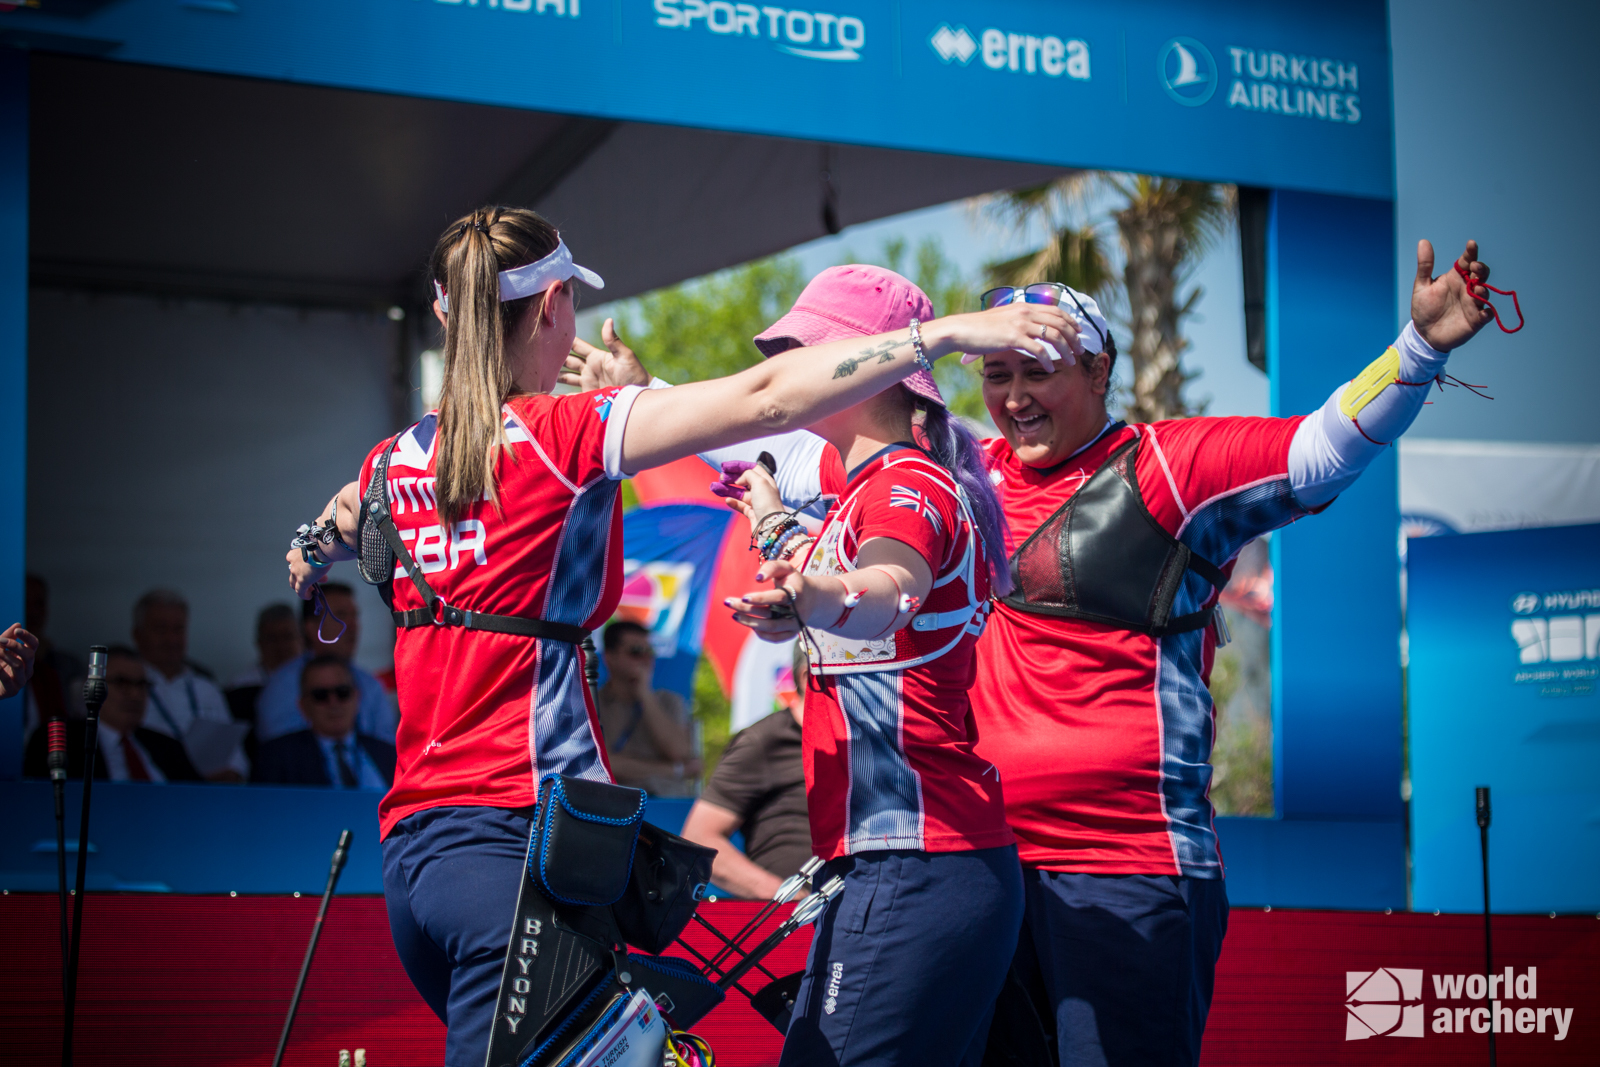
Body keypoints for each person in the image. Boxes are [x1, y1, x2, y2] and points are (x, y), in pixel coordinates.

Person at [587, 241, 1506, 1066]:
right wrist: (654, 392)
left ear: (1100, 368)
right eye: (995, 372)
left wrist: (1418, 351)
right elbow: (785, 441)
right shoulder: (954, 466)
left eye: (1040, 370)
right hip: (986, 871)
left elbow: (1319, 450)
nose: (1015, 394)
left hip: (1129, 871)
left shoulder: (1169, 467)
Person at [283, 206, 1070, 1064]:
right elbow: (765, 398)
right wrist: (949, 332)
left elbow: (345, 510)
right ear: (551, 307)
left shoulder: (394, 456)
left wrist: (312, 547)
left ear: (443, 312)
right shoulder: (561, 433)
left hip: (415, 861)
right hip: (518, 854)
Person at [720, 265, 1027, 1067]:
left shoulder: (907, 484)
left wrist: (812, 596)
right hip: (911, 863)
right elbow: (823, 560)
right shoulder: (870, 485)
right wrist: (768, 518)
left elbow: (888, 589)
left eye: (804, 352)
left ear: (867, 364)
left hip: (916, 862)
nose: (791, 374)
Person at [681, 639, 811, 899]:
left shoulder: (867, 742)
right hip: (792, 927)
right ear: (807, 678)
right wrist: (790, 898)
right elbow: (699, 838)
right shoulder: (765, 740)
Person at [25, 645, 201, 782]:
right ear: (91, 687)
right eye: (121, 682)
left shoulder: (168, 747)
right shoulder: (59, 741)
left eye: (141, 684)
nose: (135, 694)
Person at [254, 584, 396, 744]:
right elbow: (283, 758)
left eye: (354, 616)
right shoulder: (281, 688)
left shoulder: (371, 686)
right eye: (340, 615)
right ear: (311, 627)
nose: (352, 625)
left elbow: (386, 752)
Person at [132, 589, 247, 782]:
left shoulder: (207, 689)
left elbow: (233, 750)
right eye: (161, 630)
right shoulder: (128, 686)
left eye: (178, 629)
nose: (171, 639)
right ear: (137, 635)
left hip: (210, 791)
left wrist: (233, 772)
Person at [251, 654, 397, 789]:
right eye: (320, 695)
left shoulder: (388, 754)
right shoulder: (277, 758)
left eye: (342, 692)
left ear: (357, 697)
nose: (333, 703)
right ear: (303, 706)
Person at [595, 620, 699, 795]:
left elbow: (680, 753)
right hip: (615, 804)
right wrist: (676, 770)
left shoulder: (670, 701)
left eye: (649, 651)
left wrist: (645, 695)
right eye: (636, 651)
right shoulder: (592, 703)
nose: (645, 659)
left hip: (667, 803)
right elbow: (600, 765)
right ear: (610, 657)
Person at [23, 574, 82, 742]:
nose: (32, 612)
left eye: (39, 604)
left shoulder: (66, 665)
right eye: (24, 601)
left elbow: (74, 716)